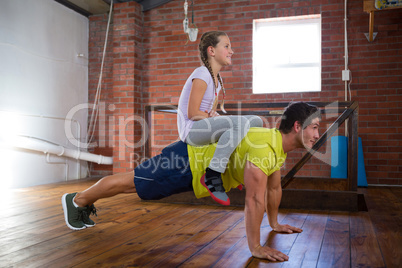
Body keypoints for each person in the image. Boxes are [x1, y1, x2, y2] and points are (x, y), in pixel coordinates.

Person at [62, 102, 321, 261]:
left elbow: (273, 189)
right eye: (315, 127)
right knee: (131, 183)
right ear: (298, 126)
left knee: (134, 185)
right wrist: (255, 247)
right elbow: (254, 200)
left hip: (193, 168)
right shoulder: (264, 148)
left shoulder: (276, 149)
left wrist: (274, 224)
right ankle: (76, 200)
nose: (317, 135)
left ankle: (81, 201)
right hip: (185, 162)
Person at [177, 30, 263, 206]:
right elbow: (193, 113)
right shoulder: (202, 73)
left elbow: (209, 113)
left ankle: (233, 170)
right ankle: (213, 175)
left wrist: (213, 116)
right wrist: (210, 117)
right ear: (212, 51)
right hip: (191, 130)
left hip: (203, 127)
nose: (232, 51)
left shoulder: (217, 79)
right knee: (240, 123)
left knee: (256, 121)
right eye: (227, 46)